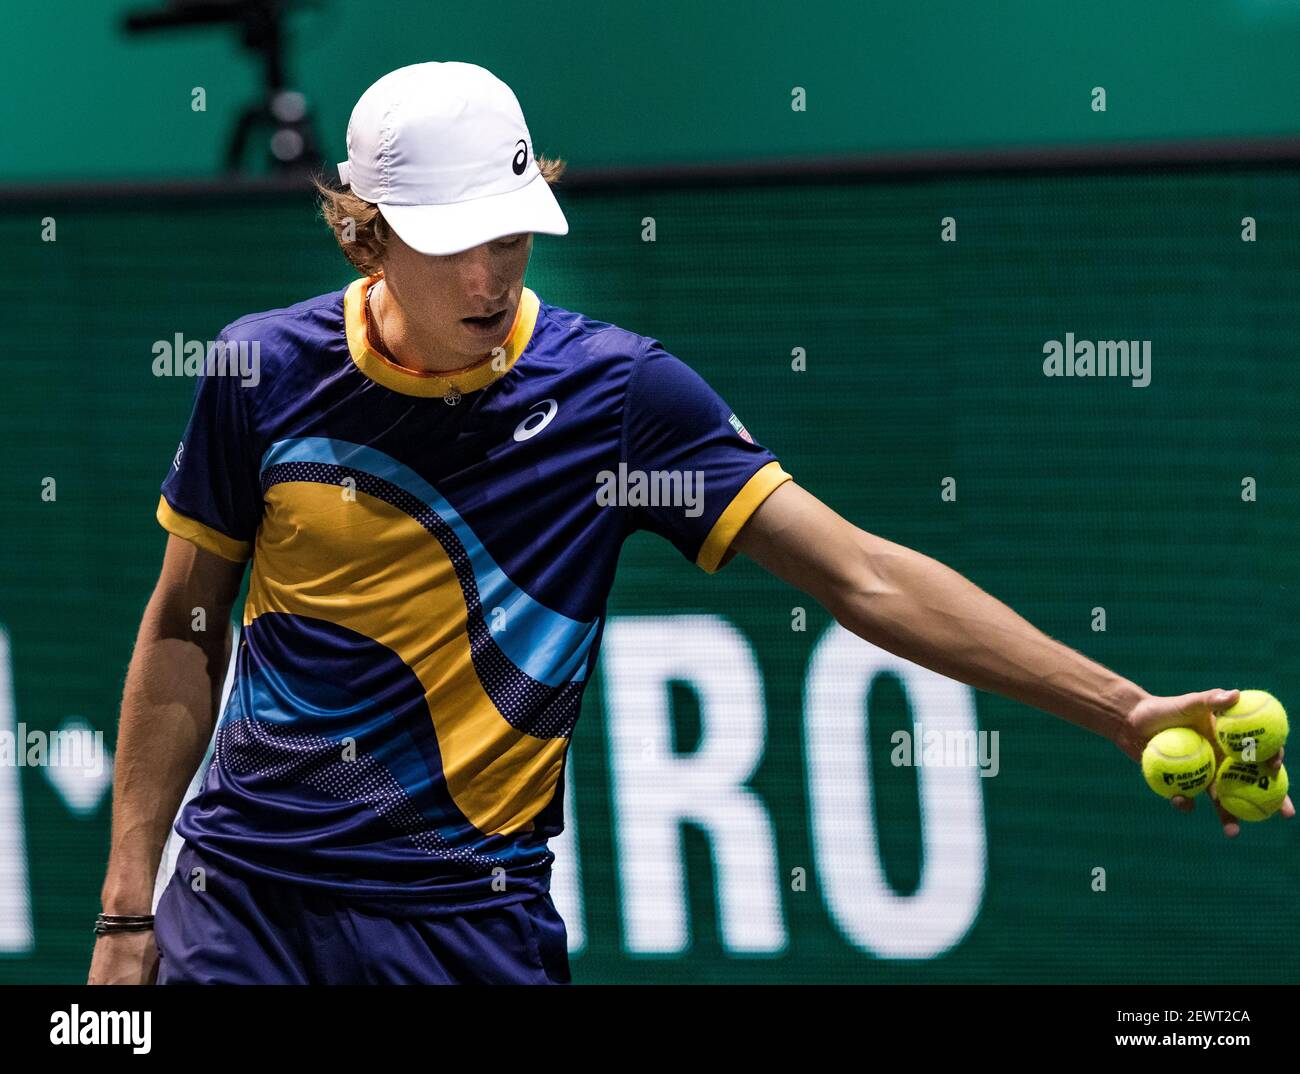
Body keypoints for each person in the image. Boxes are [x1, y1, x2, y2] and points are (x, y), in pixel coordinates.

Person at [88, 61, 1291, 986]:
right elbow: (186, 625)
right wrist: (129, 905)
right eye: (453, 244)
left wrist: (1121, 708)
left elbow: (862, 577)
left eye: (509, 235)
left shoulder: (619, 399)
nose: (486, 279)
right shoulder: (261, 371)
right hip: (239, 903)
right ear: (368, 231)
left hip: (466, 923)